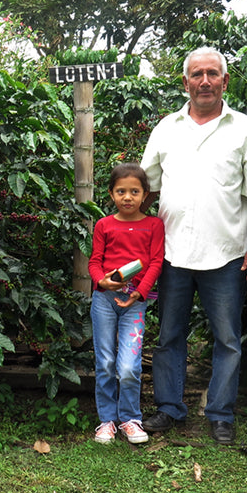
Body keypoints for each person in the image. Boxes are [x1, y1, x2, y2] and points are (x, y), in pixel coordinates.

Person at [139, 47, 247, 445]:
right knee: (169, 336)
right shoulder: (167, 128)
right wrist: (131, 238)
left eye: (212, 74)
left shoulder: (244, 130)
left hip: (227, 253)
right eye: (196, 74)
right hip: (172, 252)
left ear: (224, 81)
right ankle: (169, 409)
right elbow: (146, 188)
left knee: (228, 339)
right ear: (185, 82)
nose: (204, 81)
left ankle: (220, 414)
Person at [88, 163, 164, 444]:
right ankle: (107, 420)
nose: (128, 197)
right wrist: (102, 282)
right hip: (104, 300)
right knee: (105, 361)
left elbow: (156, 261)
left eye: (135, 191)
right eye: (121, 191)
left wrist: (139, 293)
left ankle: (130, 418)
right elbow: (95, 262)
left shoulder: (154, 225)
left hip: (135, 302)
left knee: (130, 365)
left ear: (145, 194)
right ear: (111, 193)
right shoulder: (104, 225)